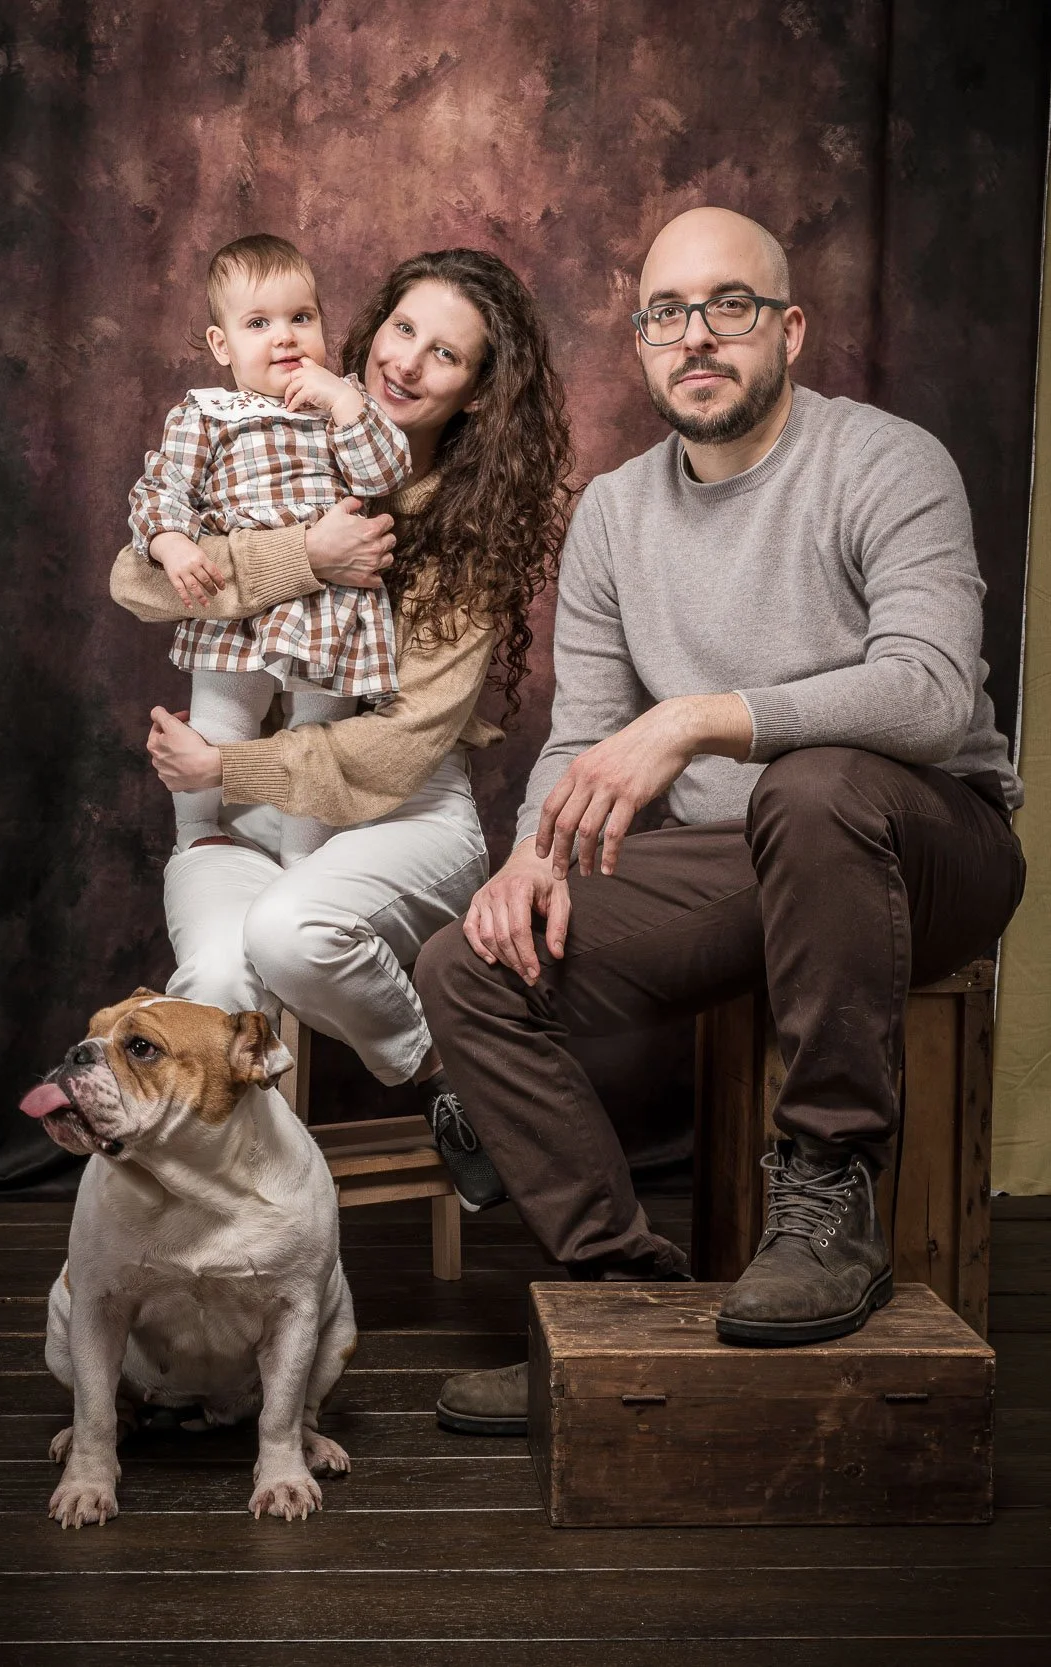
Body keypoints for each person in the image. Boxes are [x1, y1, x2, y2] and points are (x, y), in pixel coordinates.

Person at [415, 206, 1025, 1436]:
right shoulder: (614, 513)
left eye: (728, 306)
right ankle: (617, 1304)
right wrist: (531, 854)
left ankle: (830, 1192)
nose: (696, 336)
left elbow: (927, 691)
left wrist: (701, 718)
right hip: (744, 855)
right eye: (666, 313)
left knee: (814, 783)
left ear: (787, 330)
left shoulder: (886, 461)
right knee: (466, 965)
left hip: (928, 841)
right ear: (640, 344)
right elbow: (583, 734)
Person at [110, 248, 573, 1206]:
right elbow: (138, 580)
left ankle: (446, 1079)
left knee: (289, 931)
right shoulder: (275, 433)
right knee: (211, 980)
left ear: (479, 394)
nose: (405, 362)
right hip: (248, 805)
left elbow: (398, 746)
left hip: (400, 807)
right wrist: (306, 557)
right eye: (402, 329)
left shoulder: (471, 532)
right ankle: (221, 1225)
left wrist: (227, 765)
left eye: (445, 354)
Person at [129, 233, 410, 866]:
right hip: (241, 599)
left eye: (301, 318)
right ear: (221, 344)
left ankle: (303, 862)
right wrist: (171, 542)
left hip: (332, 604)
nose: (285, 337)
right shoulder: (207, 414)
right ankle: (198, 831)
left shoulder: (340, 406)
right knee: (222, 718)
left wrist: (345, 402)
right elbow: (163, 489)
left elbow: (383, 473)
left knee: (319, 734)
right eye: (259, 323)